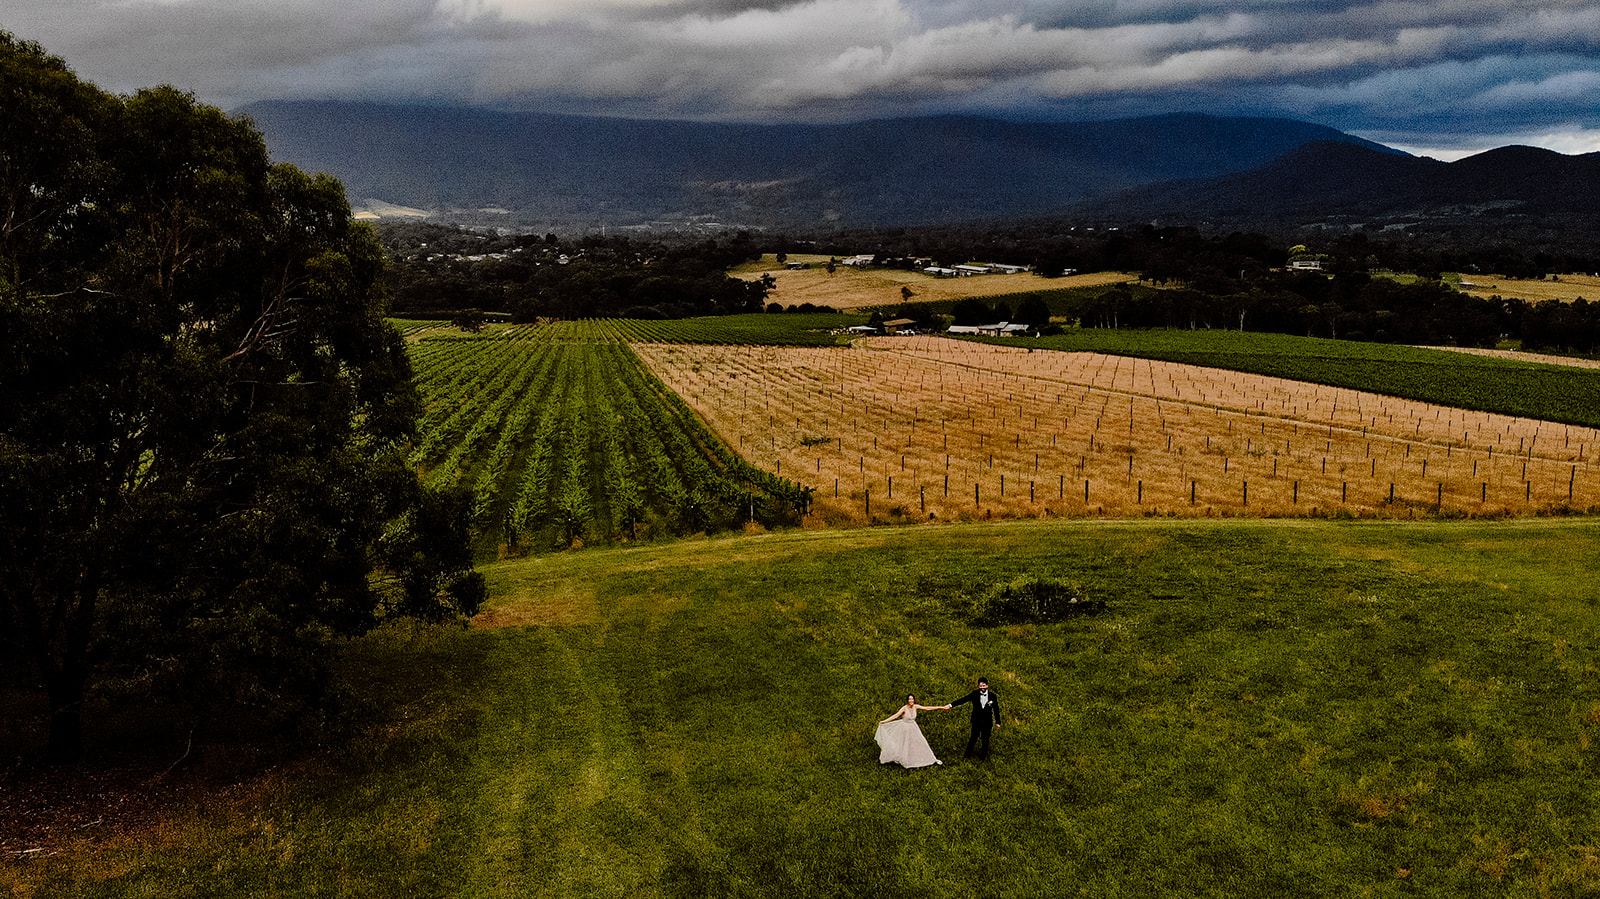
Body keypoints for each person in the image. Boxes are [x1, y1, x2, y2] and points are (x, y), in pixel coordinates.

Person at [873, 694, 950, 768]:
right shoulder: (904, 708)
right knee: (904, 743)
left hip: (914, 727)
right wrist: (885, 721)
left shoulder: (916, 706)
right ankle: (904, 759)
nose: (911, 700)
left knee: (921, 742)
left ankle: (932, 759)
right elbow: (895, 716)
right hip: (905, 728)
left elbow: (927, 708)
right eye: (910, 699)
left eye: (912, 699)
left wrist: (941, 707)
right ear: (907, 700)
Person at [949, 677, 1000, 760]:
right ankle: (967, 755)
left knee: (985, 740)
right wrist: (951, 705)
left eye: (984, 685)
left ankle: (982, 757)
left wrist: (998, 722)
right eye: (980, 686)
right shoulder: (975, 694)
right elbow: (964, 700)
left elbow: (996, 709)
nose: (982, 687)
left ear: (987, 686)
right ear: (978, 686)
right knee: (973, 738)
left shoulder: (992, 696)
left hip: (987, 722)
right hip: (977, 721)